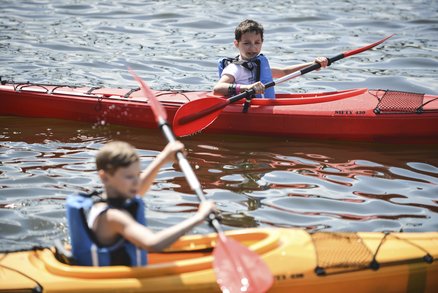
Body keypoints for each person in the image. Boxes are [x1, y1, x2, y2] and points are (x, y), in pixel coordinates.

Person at [66, 140, 215, 266]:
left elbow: (137, 190)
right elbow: (153, 243)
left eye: (138, 174)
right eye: (129, 177)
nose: (136, 181)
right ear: (105, 177)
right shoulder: (113, 216)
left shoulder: (105, 199)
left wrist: (164, 157)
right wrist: (199, 217)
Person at [213, 19, 329, 99]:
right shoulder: (234, 68)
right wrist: (247, 87)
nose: (253, 48)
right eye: (246, 43)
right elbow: (218, 88)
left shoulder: (258, 65)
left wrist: (313, 64)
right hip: (246, 108)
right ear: (236, 44)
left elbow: (284, 72)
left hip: (263, 106)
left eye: (257, 42)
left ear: (262, 43)